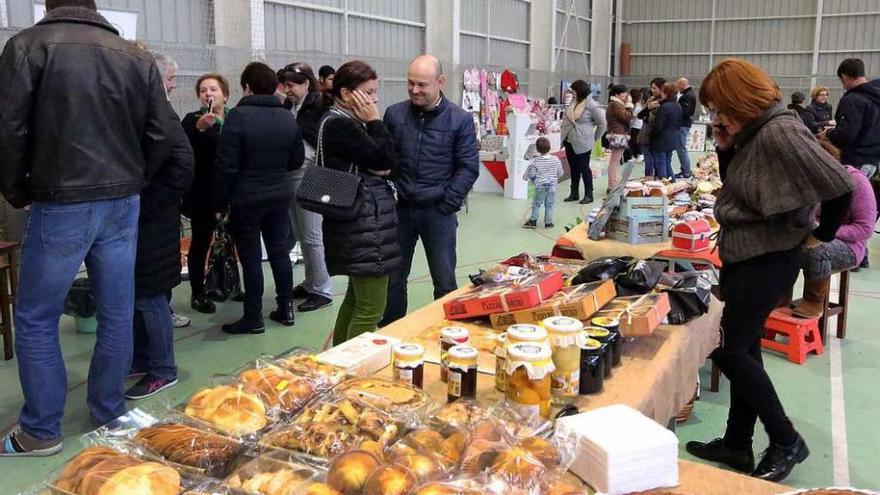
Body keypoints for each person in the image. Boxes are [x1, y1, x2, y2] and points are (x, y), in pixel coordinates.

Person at [0, 0, 172, 456]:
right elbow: (161, 132)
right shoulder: (134, 56)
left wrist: (17, 192)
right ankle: (109, 411)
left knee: (36, 317)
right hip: (122, 201)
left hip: (61, 197)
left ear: (50, 4)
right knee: (117, 311)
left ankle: (39, 431)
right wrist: (136, 180)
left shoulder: (28, 46)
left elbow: (8, 129)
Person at [685, 59, 853, 483]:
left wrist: (821, 235)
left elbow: (839, 184)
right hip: (748, 254)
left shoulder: (780, 130)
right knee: (745, 347)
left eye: (719, 106)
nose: (715, 115)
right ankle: (737, 444)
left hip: (770, 256)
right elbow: (738, 188)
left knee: (729, 350)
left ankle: (785, 439)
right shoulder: (754, 131)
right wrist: (725, 144)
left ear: (739, 99)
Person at [380, 55, 479, 326]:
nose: (414, 90)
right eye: (410, 83)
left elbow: (468, 168)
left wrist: (447, 203)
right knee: (393, 279)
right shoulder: (394, 114)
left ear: (440, 82)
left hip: (438, 213)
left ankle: (447, 333)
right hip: (400, 212)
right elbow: (384, 160)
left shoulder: (460, 120)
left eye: (422, 85)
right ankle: (392, 330)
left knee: (444, 279)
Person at [214, 62, 305, 334]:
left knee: (251, 257)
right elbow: (296, 160)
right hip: (280, 193)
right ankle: (286, 308)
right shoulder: (287, 117)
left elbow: (226, 165)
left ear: (246, 87)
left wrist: (220, 203)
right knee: (279, 252)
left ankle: (253, 317)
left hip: (247, 196)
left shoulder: (238, 117)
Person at [126, 51, 195, 400]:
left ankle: (163, 370)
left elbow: (182, 165)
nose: (171, 84)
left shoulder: (159, 112)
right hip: (149, 217)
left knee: (150, 294)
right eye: (168, 78)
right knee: (141, 294)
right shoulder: (145, 110)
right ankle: (143, 359)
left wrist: (146, 206)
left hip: (153, 219)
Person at [320, 61, 401, 344]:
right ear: (345, 94)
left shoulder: (340, 122)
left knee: (356, 301)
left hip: (358, 229)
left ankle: (337, 363)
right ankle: (354, 371)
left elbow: (384, 164)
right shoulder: (343, 125)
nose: (374, 99)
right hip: (364, 229)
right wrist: (375, 121)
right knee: (370, 309)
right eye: (368, 92)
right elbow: (386, 160)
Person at [791, 138, 876, 318]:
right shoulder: (809, 183)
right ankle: (778, 298)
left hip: (849, 247)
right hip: (813, 234)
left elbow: (865, 229)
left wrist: (825, 230)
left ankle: (813, 301)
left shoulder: (857, 182)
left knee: (817, 248)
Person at [278, 63, 334, 312]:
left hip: (312, 172)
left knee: (312, 235)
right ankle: (311, 282)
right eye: (285, 85)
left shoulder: (319, 105)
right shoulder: (289, 106)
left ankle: (323, 289)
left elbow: (320, 136)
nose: (286, 90)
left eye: (291, 85)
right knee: (301, 234)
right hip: (291, 173)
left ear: (306, 84)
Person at [182, 73, 231, 314]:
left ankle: (229, 283)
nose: (208, 94)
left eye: (213, 89)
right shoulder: (192, 120)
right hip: (204, 193)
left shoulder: (235, 118)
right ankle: (198, 291)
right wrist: (199, 131)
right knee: (200, 242)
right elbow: (182, 152)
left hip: (231, 191)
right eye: (203, 90)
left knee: (231, 240)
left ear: (225, 94)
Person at [827, 58, 880, 269]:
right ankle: (862, 254)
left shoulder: (853, 99)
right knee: (866, 209)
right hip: (873, 159)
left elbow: (846, 135)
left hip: (855, 160)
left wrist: (830, 132)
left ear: (845, 77)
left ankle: (853, 255)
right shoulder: (876, 96)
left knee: (848, 209)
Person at [561, 80, 606, 204]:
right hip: (569, 141)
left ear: (579, 91)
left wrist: (594, 138)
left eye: (574, 91)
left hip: (583, 142)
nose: (572, 93)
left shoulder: (591, 106)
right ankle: (574, 193)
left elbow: (602, 124)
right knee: (573, 168)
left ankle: (588, 194)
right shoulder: (574, 102)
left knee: (584, 168)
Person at [522, 137, 564, 229]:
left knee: (536, 204)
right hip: (552, 186)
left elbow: (532, 174)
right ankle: (548, 223)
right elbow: (560, 173)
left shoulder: (536, 161)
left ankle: (533, 221)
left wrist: (534, 180)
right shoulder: (556, 159)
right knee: (549, 205)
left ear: (537, 149)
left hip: (540, 186)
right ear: (550, 147)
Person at [647, 82, 682, 180]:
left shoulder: (663, 107)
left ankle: (663, 184)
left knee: (661, 163)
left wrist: (651, 134)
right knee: (667, 163)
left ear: (665, 93)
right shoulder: (678, 106)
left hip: (661, 140)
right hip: (672, 138)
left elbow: (658, 126)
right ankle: (672, 183)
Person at [605, 84, 634, 191]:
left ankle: (612, 184)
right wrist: (630, 107)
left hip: (617, 134)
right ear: (617, 94)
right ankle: (612, 185)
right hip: (618, 135)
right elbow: (626, 117)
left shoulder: (615, 104)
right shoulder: (615, 105)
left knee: (614, 161)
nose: (626, 95)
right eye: (624, 92)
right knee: (614, 161)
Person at [638, 78, 667, 179]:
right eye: (651, 88)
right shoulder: (650, 99)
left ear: (662, 88)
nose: (652, 90)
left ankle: (661, 184)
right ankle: (649, 182)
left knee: (661, 162)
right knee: (649, 161)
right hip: (647, 135)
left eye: (655, 88)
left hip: (660, 137)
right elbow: (640, 116)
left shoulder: (667, 101)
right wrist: (647, 108)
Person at [675, 77, 696, 178]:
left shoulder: (686, 96)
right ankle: (684, 169)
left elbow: (684, 111)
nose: (677, 87)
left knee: (681, 148)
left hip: (683, 124)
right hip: (685, 123)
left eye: (678, 85)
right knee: (681, 148)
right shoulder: (689, 94)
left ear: (682, 85)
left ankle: (686, 171)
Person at [624, 88, 645, 163]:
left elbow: (632, 116)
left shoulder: (638, 106)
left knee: (635, 141)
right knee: (633, 141)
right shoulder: (635, 104)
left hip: (637, 126)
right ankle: (636, 155)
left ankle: (640, 154)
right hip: (634, 126)